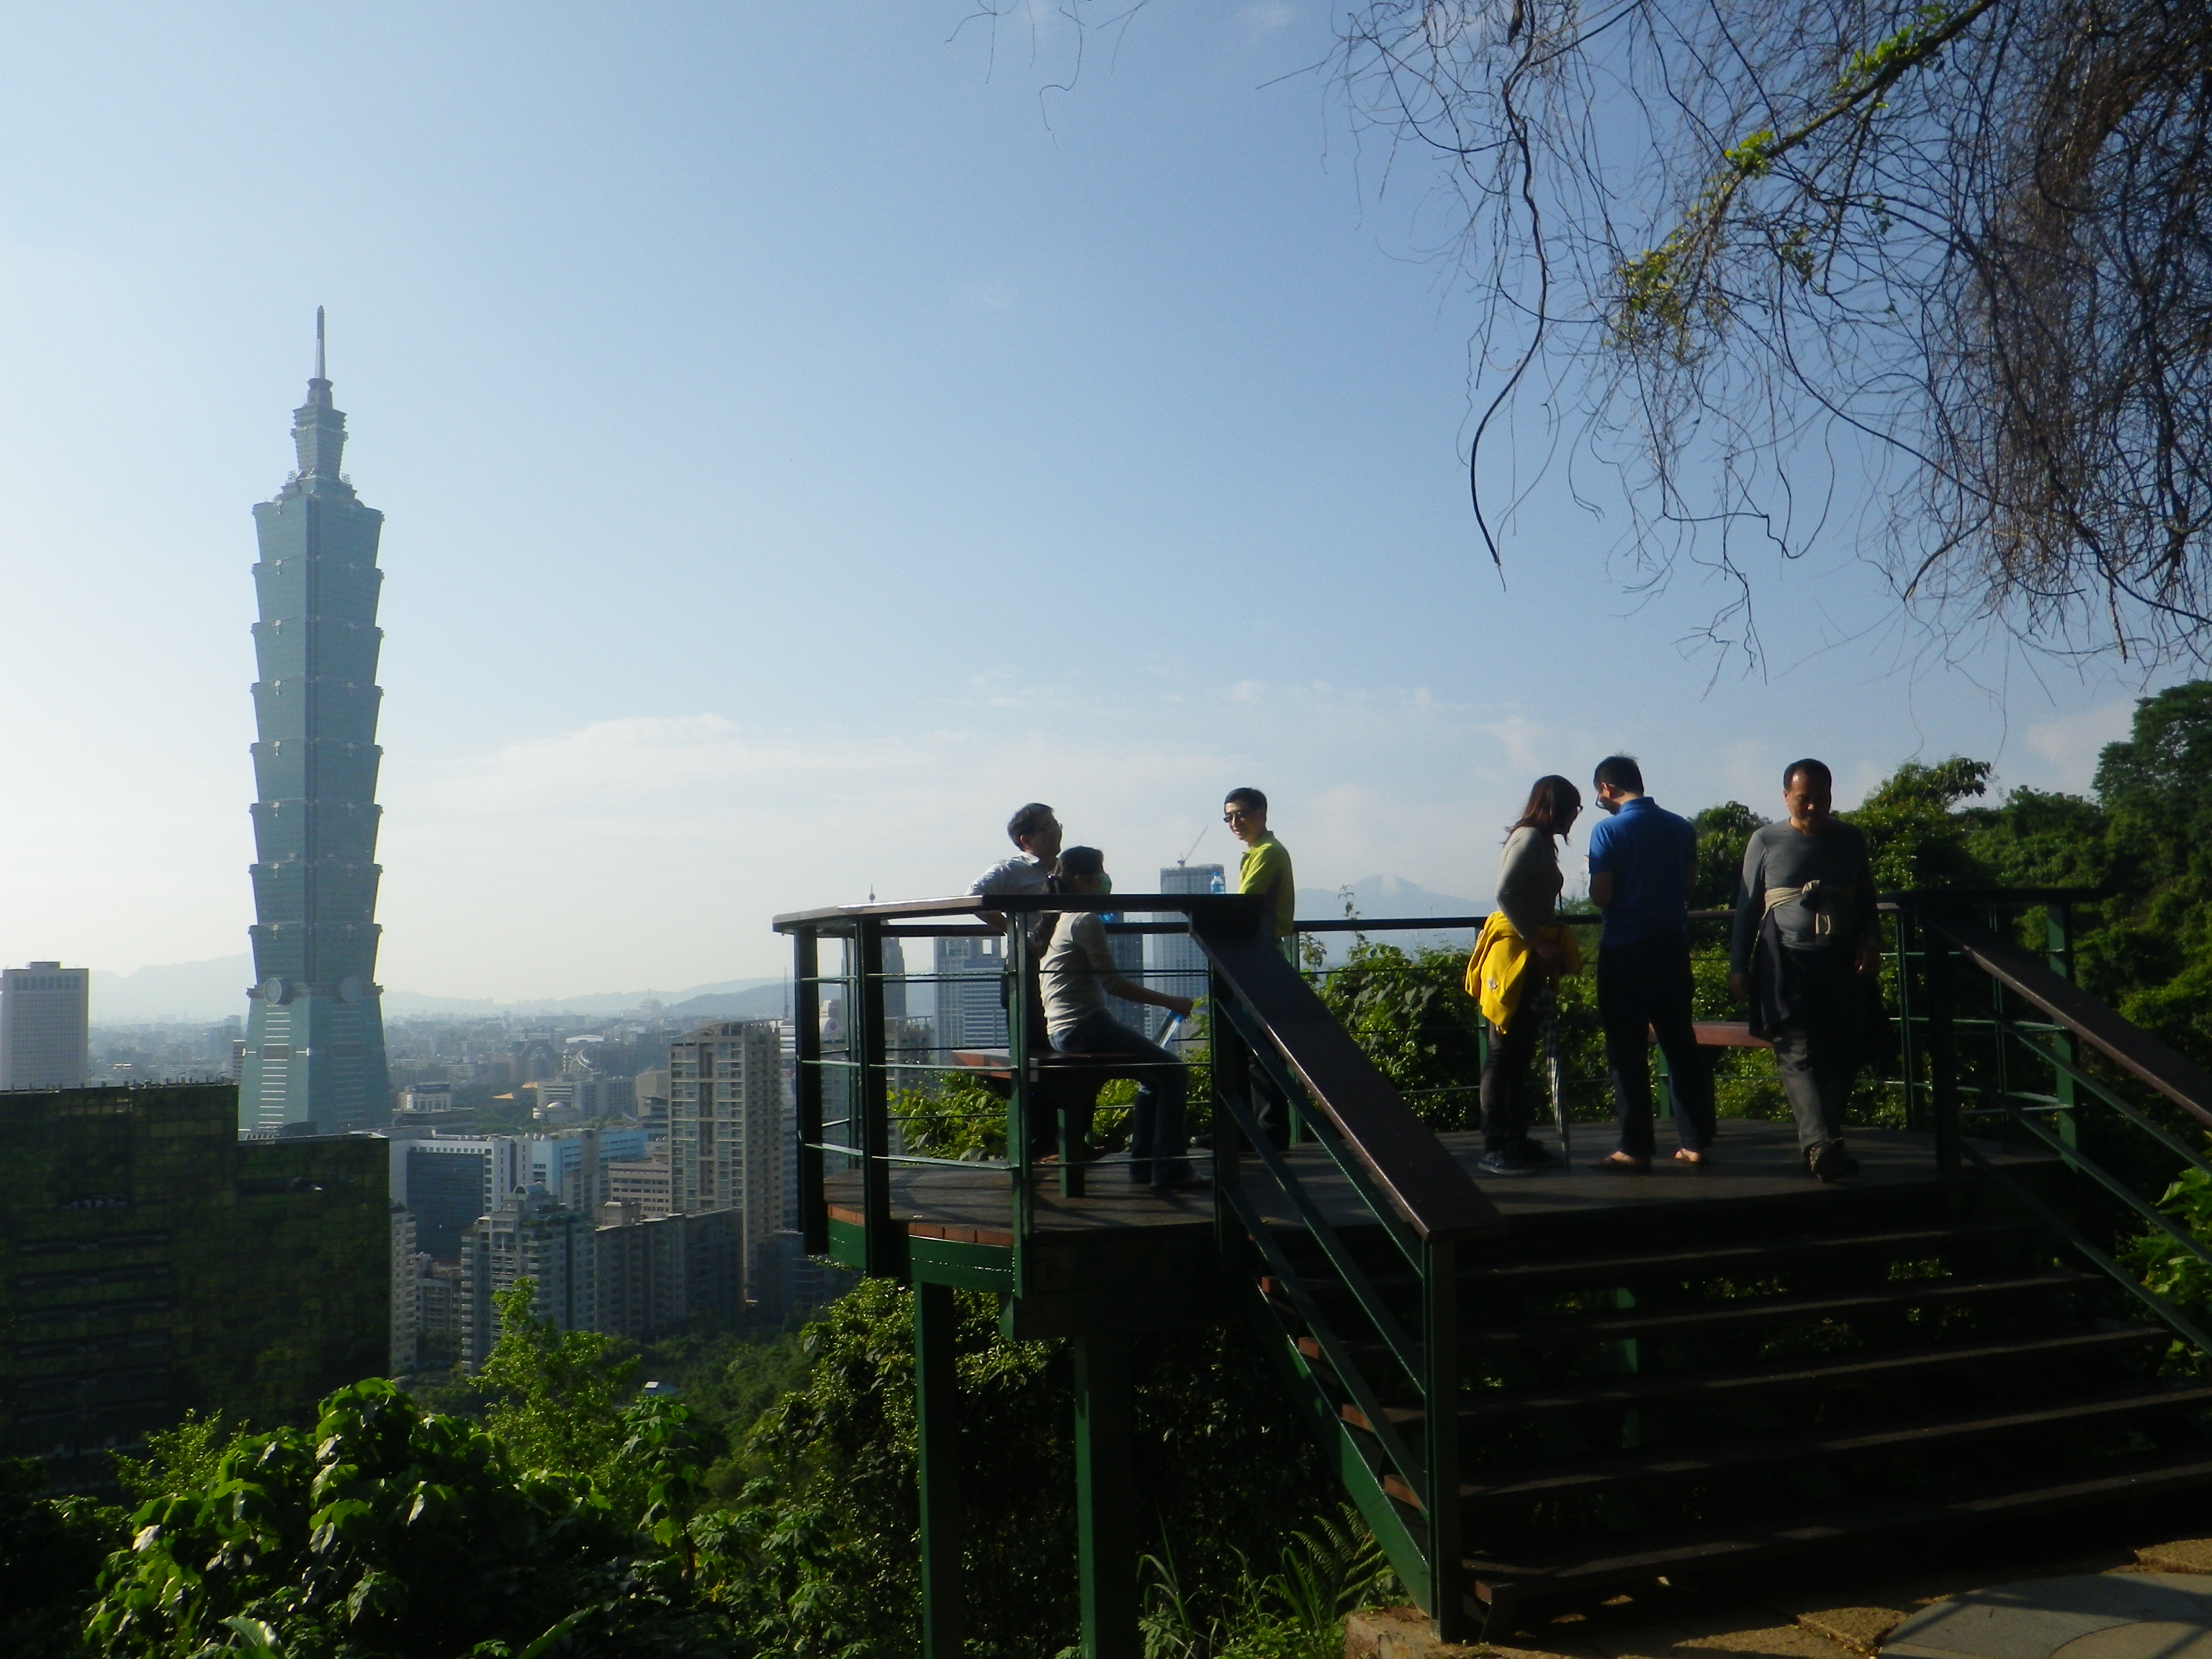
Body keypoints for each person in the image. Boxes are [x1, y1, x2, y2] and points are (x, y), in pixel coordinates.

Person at [1730, 759, 1881, 1182]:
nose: (1813, 807)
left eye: (1822, 799)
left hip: (1843, 959)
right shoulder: (1765, 840)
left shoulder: (1850, 839)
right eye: (1804, 800)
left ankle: (1826, 1145)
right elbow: (1746, 906)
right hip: (1787, 961)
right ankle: (1818, 1143)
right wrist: (1738, 964)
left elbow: (1867, 899)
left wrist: (1872, 942)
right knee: (1796, 1050)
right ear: (1785, 797)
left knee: (1842, 1054)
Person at [1043, 847, 1203, 1189]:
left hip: (1064, 1029)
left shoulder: (1065, 919)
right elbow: (1113, 983)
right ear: (1083, 881)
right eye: (1100, 873)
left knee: (1154, 1077)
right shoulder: (1084, 920)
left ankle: (1146, 1167)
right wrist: (1170, 1000)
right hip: (1083, 1026)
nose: (1106, 880)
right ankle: (1168, 1169)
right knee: (1174, 1073)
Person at [1586, 755, 1716, 1170]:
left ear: (1606, 788)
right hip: (1671, 948)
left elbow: (1602, 896)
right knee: (1679, 1043)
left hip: (1625, 950)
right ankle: (1694, 1141)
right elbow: (1688, 887)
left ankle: (1635, 1145)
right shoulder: (1680, 827)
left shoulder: (1606, 830)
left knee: (1626, 1049)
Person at [1473, 776, 1583, 1177]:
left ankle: (1514, 1138)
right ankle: (1496, 1144)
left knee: (1518, 1054)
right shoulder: (1531, 840)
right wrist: (1537, 940)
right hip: (1513, 960)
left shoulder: (1536, 839)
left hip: (1528, 958)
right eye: (1574, 808)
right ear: (1557, 807)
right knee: (1504, 1056)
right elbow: (1505, 893)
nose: (1575, 817)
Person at [1224, 788, 1295, 950]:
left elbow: (1244, 901)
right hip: (1261, 944)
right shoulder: (1260, 850)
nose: (1235, 823)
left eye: (1241, 815)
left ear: (1261, 814)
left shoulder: (1268, 851)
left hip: (1262, 947)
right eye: (1229, 817)